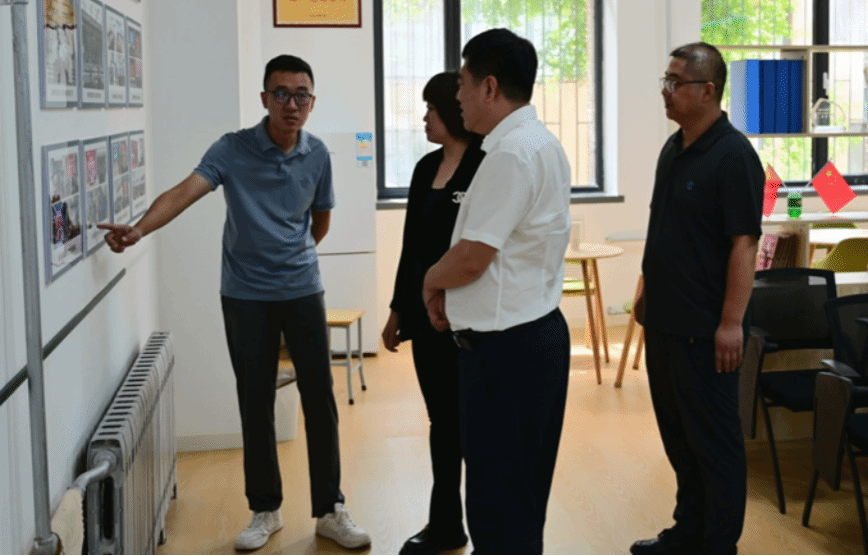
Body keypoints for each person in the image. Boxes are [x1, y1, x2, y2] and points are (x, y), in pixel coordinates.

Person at [98, 55, 370, 552]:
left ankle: (330, 509)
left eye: (301, 95)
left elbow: (320, 221)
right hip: (245, 296)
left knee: (320, 398)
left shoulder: (318, 154)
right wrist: (138, 230)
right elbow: (185, 192)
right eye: (281, 93)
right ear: (265, 98)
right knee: (255, 399)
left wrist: (292, 256)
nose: (292, 104)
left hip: (303, 290)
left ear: (312, 102)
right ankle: (265, 508)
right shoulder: (232, 149)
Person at [422, 28, 572, 555]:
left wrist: (429, 280)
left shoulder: (511, 154)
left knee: (498, 505)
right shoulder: (540, 143)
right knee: (520, 500)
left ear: (489, 87)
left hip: (507, 354)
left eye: (462, 84)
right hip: (531, 340)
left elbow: (471, 257)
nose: (457, 95)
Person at [630, 43, 764, 556]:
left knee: (714, 444)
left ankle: (718, 545)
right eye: (664, 80)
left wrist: (731, 322)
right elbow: (664, 230)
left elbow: (743, 245)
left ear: (708, 91)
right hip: (665, 322)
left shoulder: (734, 156)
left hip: (706, 330)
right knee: (678, 439)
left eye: (675, 82)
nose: (665, 91)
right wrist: (646, 293)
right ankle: (687, 531)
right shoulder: (674, 148)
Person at [383, 71, 485, 555]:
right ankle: (445, 524)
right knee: (442, 423)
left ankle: (490, 530)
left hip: (471, 318)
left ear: (452, 111)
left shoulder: (486, 164)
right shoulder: (426, 167)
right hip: (427, 320)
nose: (424, 117)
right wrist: (397, 310)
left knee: (475, 427)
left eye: (431, 108)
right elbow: (412, 247)